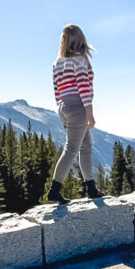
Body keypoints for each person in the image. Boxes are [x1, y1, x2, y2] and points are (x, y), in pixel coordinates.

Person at [46, 24, 104, 204]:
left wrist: (62, 112)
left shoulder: (57, 63)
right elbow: (83, 86)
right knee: (71, 148)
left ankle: (91, 188)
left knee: (85, 146)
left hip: (64, 106)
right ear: (80, 39)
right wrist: (90, 112)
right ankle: (55, 189)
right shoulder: (80, 59)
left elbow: (57, 90)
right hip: (79, 105)